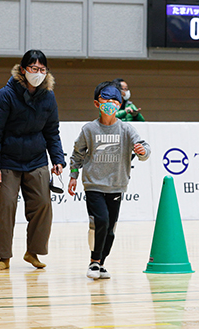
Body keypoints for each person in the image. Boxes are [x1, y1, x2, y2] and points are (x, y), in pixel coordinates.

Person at [0, 49, 65, 271]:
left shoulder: (48, 96)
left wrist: (57, 158)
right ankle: (3, 257)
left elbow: (52, 131)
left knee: (43, 204)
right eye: (33, 68)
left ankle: (33, 252)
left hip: (36, 159)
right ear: (23, 70)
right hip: (7, 161)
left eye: (42, 69)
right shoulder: (6, 95)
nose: (38, 73)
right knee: (4, 205)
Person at [68, 81, 151, 279]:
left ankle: (101, 263)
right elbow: (77, 154)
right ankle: (94, 262)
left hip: (117, 186)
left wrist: (142, 152)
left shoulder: (126, 129)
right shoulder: (89, 129)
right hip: (94, 185)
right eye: (107, 98)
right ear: (97, 103)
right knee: (101, 221)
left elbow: (145, 149)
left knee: (111, 229)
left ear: (121, 104)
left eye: (116, 99)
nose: (111, 103)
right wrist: (73, 175)